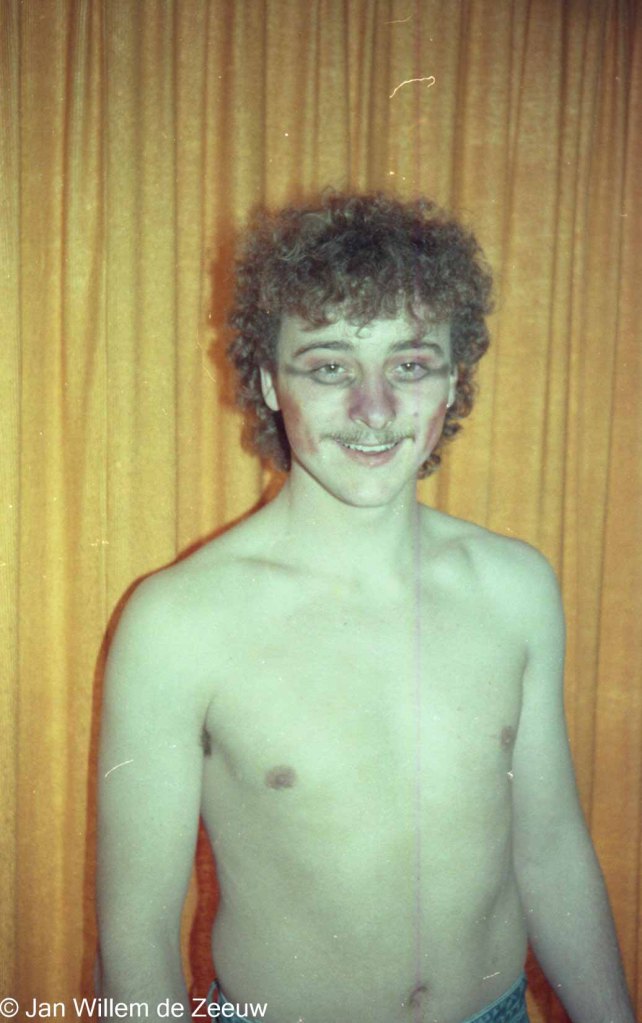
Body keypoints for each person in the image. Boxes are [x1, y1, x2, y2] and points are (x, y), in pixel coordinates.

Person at [96, 193, 636, 1023]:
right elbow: (135, 936)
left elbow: (552, 851)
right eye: (330, 367)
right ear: (270, 381)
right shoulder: (177, 622)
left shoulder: (515, 587)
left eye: (410, 365)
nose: (376, 409)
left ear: (453, 378)